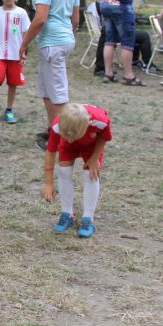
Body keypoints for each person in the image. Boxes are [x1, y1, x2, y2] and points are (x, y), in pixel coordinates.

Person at [19, 0, 80, 151]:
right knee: (47, 89)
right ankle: (53, 129)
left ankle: (64, 139)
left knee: (58, 94)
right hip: (62, 41)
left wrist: (24, 42)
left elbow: (40, 19)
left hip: (53, 43)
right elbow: (75, 19)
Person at [41, 102, 113, 239]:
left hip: (91, 144)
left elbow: (104, 137)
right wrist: (49, 183)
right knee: (63, 171)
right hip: (69, 145)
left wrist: (94, 158)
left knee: (90, 174)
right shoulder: (58, 125)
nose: (69, 140)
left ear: (88, 124)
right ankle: (67, 213)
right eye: (66, 136)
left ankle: (88, 218)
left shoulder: (100, 120)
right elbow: (50, 152)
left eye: (72, 137)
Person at [87, 2, 161, 75]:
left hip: (105, 32)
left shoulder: (94, 5)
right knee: (143, 35)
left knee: (135, 32)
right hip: (113, 33)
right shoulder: (114, 5)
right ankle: (147, 63)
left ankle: (134, 60)